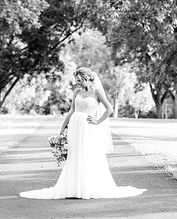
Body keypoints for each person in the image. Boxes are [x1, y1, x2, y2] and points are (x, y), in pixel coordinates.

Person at [19, 67, 146, 199]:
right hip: (75, 126)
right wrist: (63, 126)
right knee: (75, 154)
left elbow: (109, 109)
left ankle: (87, 187)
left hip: (88, 128)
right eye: (77, 80)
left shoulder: (97, 92)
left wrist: (98, 121)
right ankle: (74, 187)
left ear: (88, 78)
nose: (78, 83)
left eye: (80, 80)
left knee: (87, 154)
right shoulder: (77, 91)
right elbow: (72, 110)